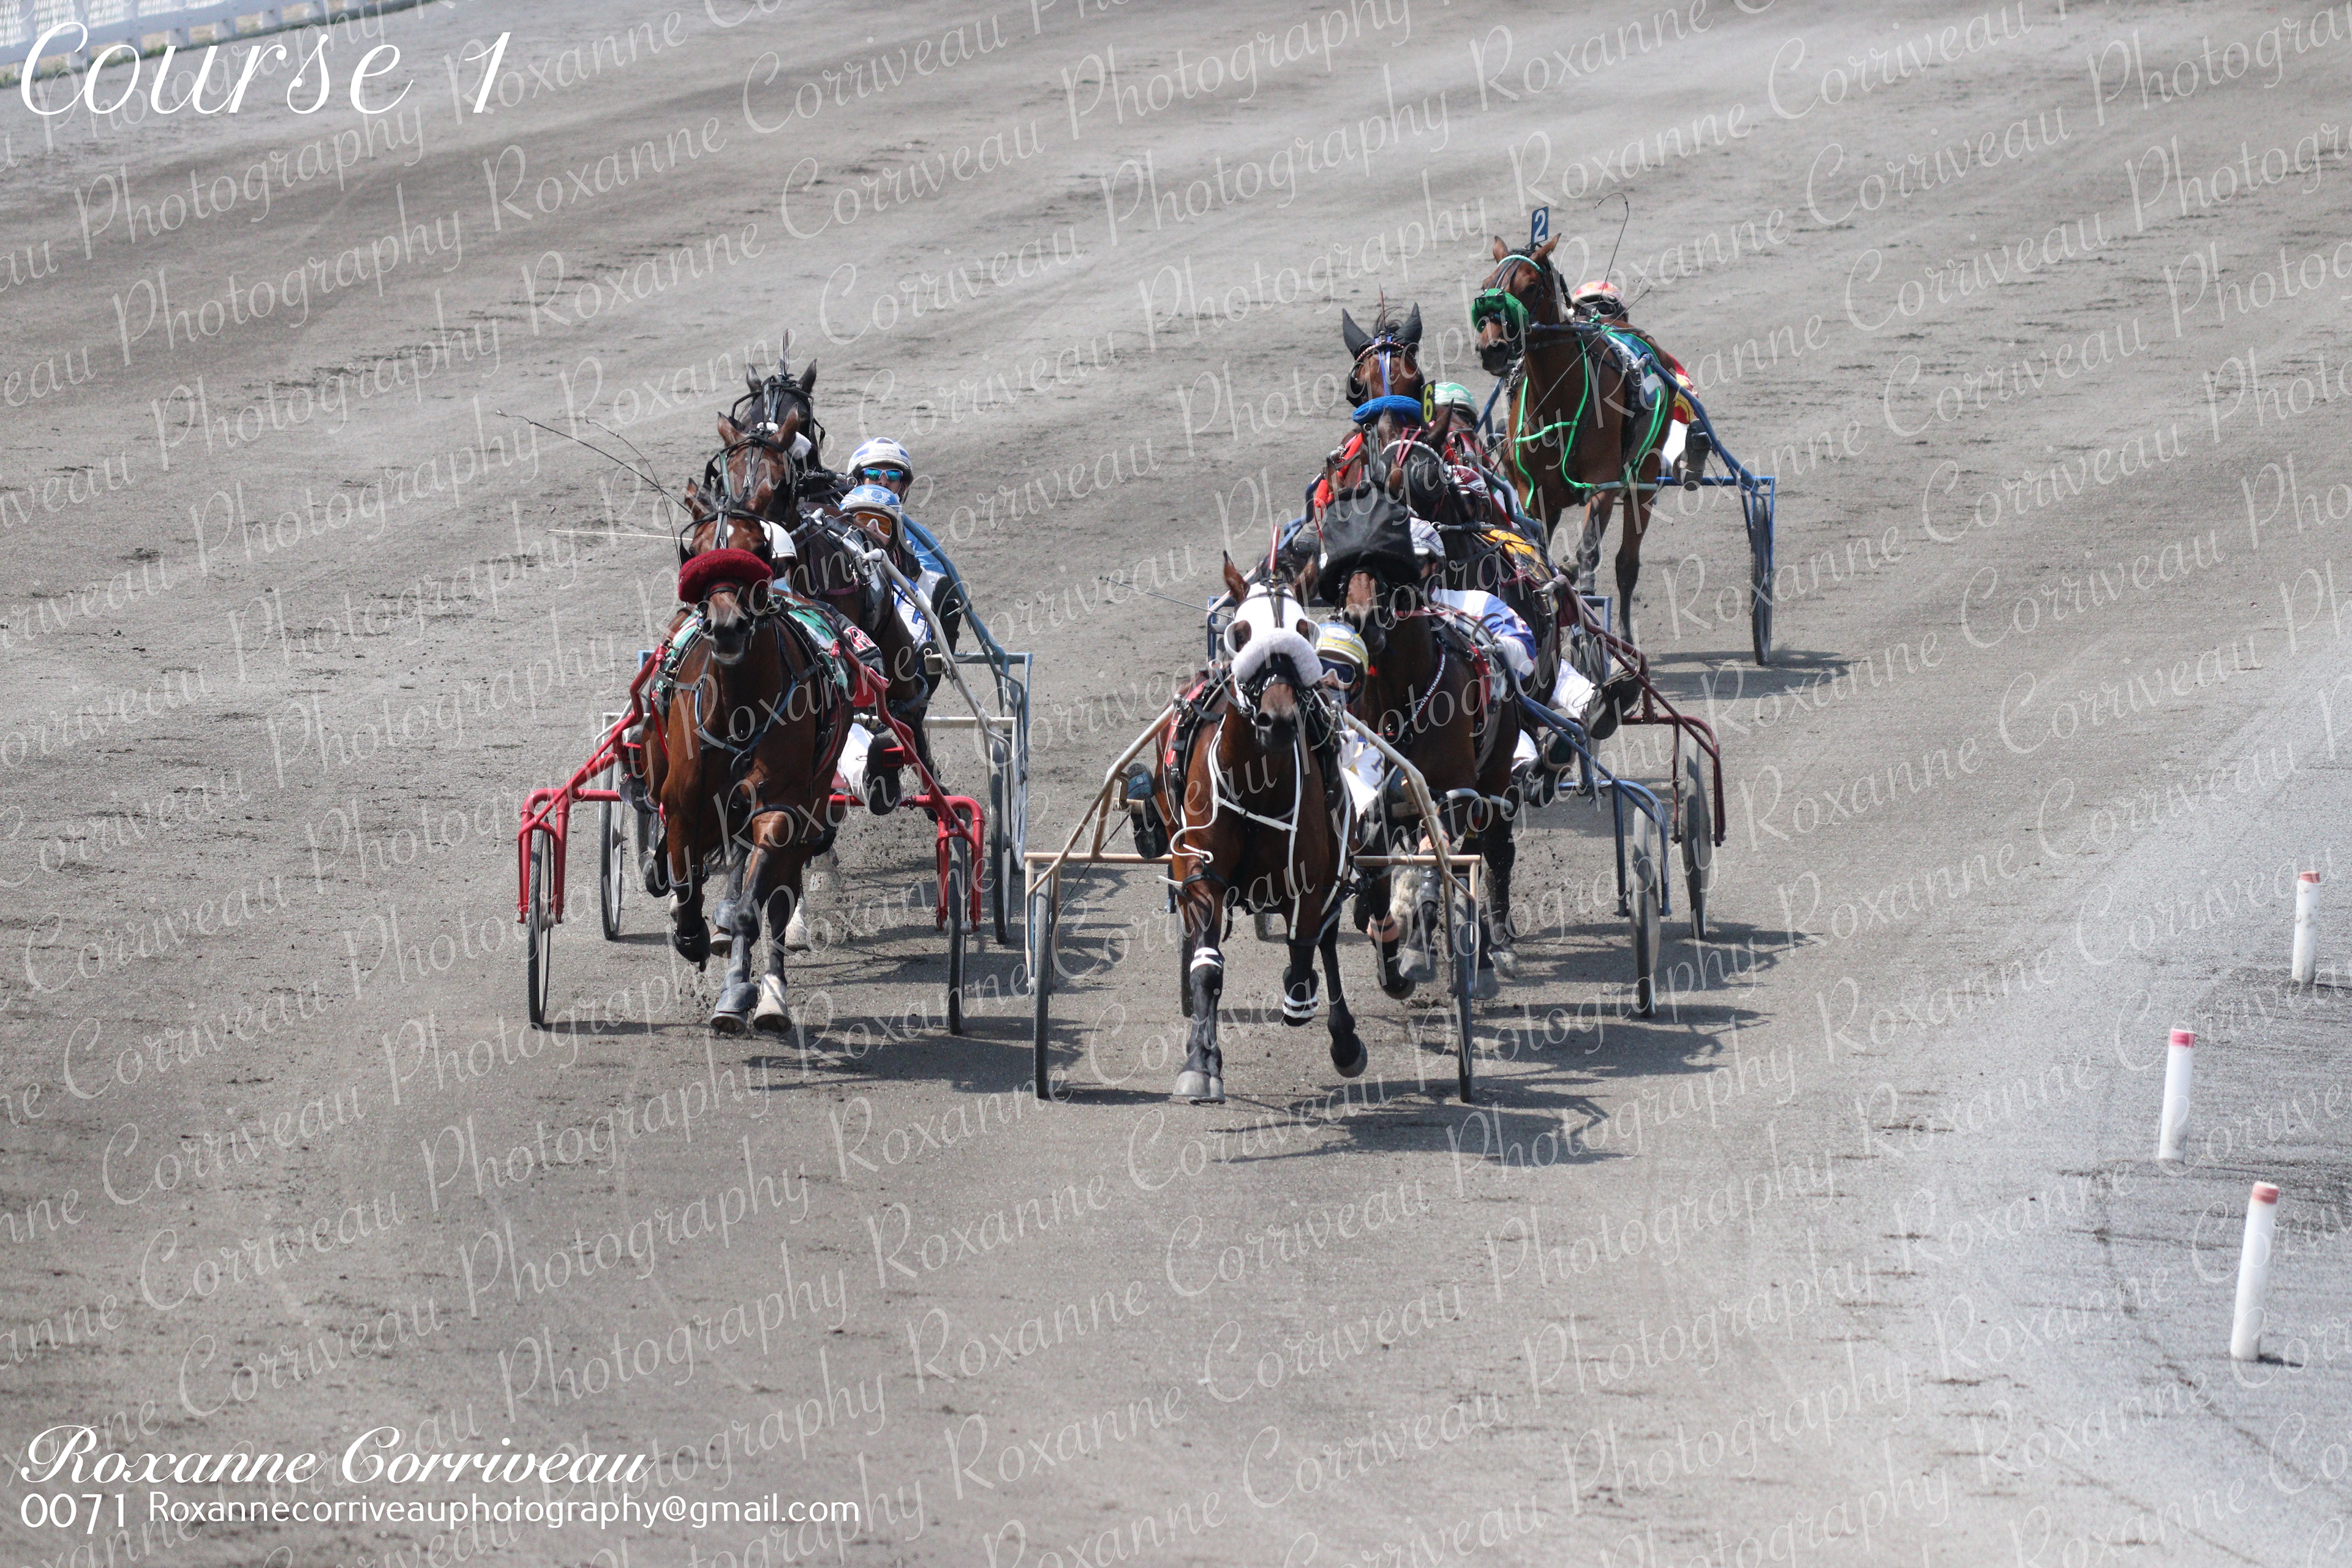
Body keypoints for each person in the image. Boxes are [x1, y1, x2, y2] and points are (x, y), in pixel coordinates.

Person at [1566, 281, 1709, 487]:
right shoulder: (1568, 353)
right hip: (1602, 438)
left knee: (1666, 419)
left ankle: (1682, 458)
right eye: (1586, 310)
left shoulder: (1638, 345)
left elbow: (1682, 390)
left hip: (1637, 434)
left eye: (1603, 308)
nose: (1595, 315)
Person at [847, 437, 965, 650]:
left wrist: (914, 571)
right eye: (873, 474)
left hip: (899, 605)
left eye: (893, 475)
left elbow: (936, 594)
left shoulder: (918, 537)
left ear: (902, 486)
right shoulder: (836, 523)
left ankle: (919, 659)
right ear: (857, 480)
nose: (883, 482)